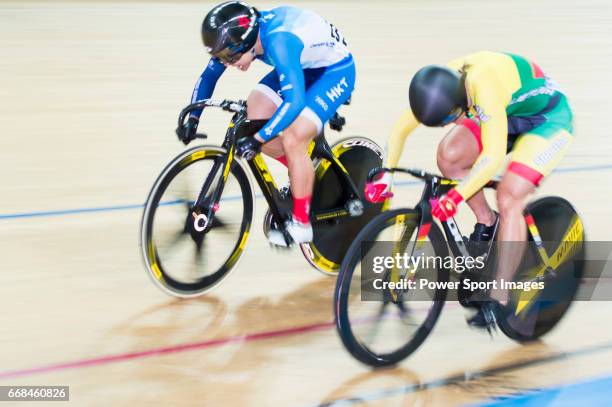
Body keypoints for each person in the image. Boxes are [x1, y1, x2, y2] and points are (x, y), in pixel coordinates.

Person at [365, 51, 573, 328]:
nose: (451, 123)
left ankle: (499, 295)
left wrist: (456, 197)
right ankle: (488, 221)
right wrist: (386, 174)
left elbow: (492, 158)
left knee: (509, 196)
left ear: (458, 99)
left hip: (547, 120)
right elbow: (400, 130)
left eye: (451, 117)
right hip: (502, 113)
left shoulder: (482, 87)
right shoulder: (440, 84)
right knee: (449, 157)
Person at [176, 1, 355, 246]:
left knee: (293, 137)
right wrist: (193, 117)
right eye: (223, 58)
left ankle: (302, 224)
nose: (229, 64)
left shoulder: (279, 41)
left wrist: (258, 140)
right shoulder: (239, 39)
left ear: (247, 42)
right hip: (301, 64)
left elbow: (294, 103)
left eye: (231, 57)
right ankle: (302, 172)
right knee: (253, 114)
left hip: (333, 71)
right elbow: (209, 75)